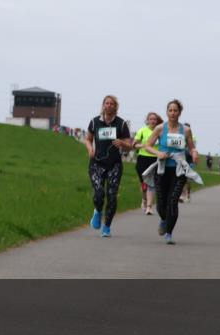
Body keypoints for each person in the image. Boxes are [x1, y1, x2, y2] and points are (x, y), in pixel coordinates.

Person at [143, 99, 201, 245]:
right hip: (162, 170)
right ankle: (163, 219)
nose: (173, 113)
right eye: (170, 110)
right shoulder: (160, 128)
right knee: (161, 203)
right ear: (167, 112)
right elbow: (147, 146)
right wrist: (158, 153)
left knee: (173, 201)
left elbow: (191, 147)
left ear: (180, 113)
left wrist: (194, 153)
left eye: (175, 110)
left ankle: (169, 232)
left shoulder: (186, 130)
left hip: (178, 170)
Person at [84, 96, 134, 236]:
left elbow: (129, 145)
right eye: (107, 103)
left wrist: (123, 144)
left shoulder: (121, 123)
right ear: (103, 105)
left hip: (114, 164)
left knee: (112, 196)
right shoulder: (95, 122)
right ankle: (98, 211)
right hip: (97, 163)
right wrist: (90, 149)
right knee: (99, 193)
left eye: (112, 104)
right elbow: (88, 139)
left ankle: (107, 226)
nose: (109, 105)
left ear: (116, 107)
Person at [132, 112, 162, 215]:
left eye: (155, 119)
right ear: (147, 120)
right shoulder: (142, 130)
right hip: (142, 159)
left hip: (155, 160)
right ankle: (144, 199)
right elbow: (134, 145)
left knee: (151, 183)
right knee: (144, 183)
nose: (153, 121)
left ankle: (149, 207)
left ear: (157, 121)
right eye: (151, 119)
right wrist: (144, 145)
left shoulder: (160, 131)